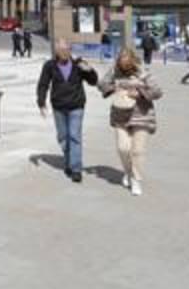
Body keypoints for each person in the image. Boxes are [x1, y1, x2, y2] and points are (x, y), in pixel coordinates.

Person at [98, 47, 163, 196]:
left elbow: (158, 91)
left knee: (138, 150)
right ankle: (128, 172)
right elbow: (101, 85)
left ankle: (136, 180)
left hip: (142, 115)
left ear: (133, 62)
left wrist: (140, 93)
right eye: (122, 65)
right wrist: (114, 87)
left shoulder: (143, 72)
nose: (124, 68)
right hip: (120, 114)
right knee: (123, 148)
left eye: (127, 65)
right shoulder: (114, 71)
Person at [36, 40, 99, 183]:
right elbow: (43, 84)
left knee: (74, 136)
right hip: (59, 106)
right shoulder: (50, 65)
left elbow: (93, 81)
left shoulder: (78, 64)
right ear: (56, 51)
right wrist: (41, 102)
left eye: (67, 50)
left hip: (76, 106)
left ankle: (76, 168)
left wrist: (89, 70)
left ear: (70, 50)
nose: (64, 52)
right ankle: (69, 161)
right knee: (63, 137)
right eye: (61, 50)